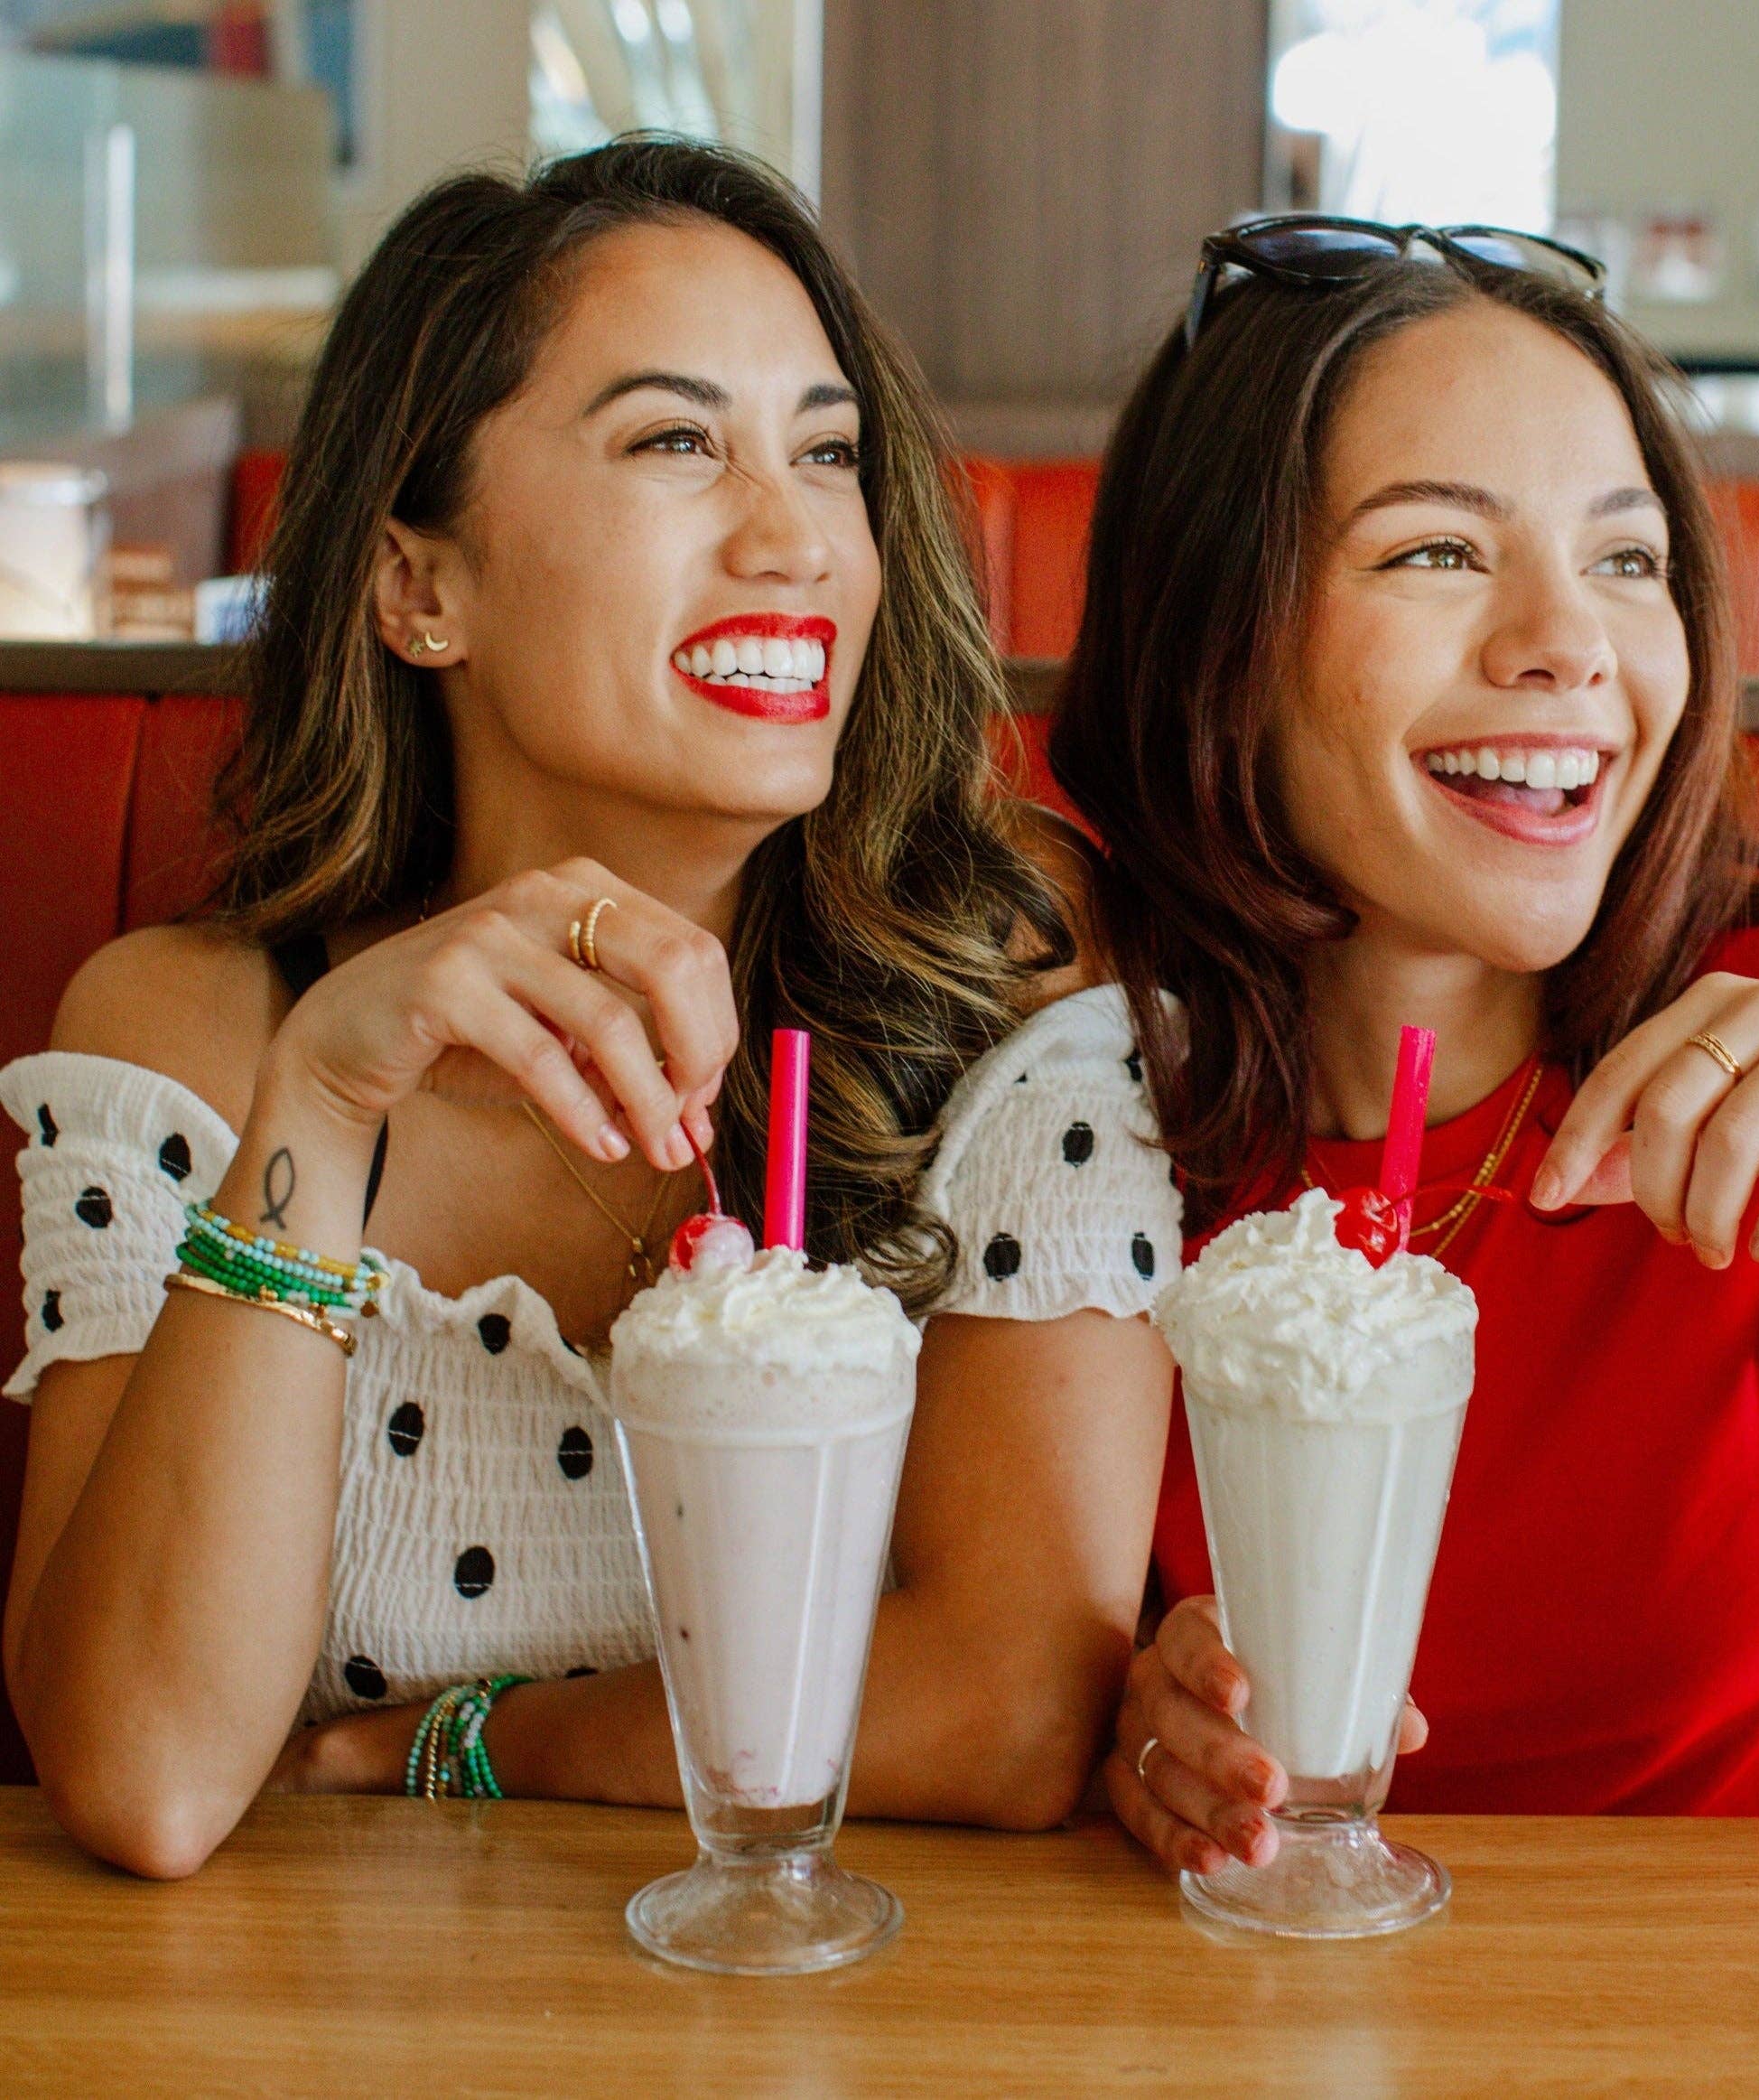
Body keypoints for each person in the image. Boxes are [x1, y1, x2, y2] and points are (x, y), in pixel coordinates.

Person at [1, 139, 1177, 1881]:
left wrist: (450, 1741)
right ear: (421, 586)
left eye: (830, 453)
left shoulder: (1003, 969)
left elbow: (1006, 1706)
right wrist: (319, 1106)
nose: (796, 538)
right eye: (675, 442)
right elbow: (148, 1773)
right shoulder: (184, 1031)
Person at [1050, 219, 1759, 1874]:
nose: (1572, 642)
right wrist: (1137, 1733)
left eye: (1625, 559)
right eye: (1435, 555)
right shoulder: (1078, 1105)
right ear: (1216, 637)